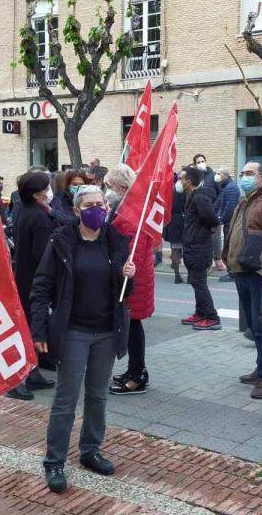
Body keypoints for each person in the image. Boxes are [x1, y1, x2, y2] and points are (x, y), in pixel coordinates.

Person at [30, 186, 136, 494]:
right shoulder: (62, 241)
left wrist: (129, 275)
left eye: (101, 204)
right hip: (74, 330)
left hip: (107, 330)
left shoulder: (114, 241)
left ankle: (90, 449)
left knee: (98, 395)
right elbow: (41, 288)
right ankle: (54, 461)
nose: (97, 210)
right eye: (89, 205)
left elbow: (124, 294)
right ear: (77, 211)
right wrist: (39, 331)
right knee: (66, 398)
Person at [223, 162, 262, 396]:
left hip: (259, 272)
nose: (244, 177)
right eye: (242, 173)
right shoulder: (245, 199)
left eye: (249, 174)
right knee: (253, 325)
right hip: (242, 270)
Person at [7, 171, 60, 401]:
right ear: (38, 194)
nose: (49, 193)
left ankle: (33, 372)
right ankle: (18, 379)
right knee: (28, 329)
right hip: (35, 280)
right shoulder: (39, 217)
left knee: (27, 326)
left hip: (23, 276)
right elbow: (43, 254)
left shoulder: (21, 209)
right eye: (46, 189)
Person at [105, 165, 156, 395]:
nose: (108, 190)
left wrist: (123, 272)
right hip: (134, 274)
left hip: (133, 277)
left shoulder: (133, 209)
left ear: (122, 186)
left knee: (132, 327)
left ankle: (137, 375)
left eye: (110, 186)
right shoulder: (127, 205)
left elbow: (134, 246)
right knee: (132, 326)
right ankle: (135, 370)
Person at [181, 166, 221, 330]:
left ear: (189, 181)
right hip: (192, 246)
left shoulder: (200, 197)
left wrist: (198, 234)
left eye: (182, 178)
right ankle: (200, 312)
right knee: (195, 282)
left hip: (199, 247)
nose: (180, 181)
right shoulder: (192, 196)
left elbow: (212, 219)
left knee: (199, 283)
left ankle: (212, 317)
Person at [213, 168, 239, 275]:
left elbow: (229, 208)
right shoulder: (226, 187)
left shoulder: (230, 188)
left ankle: (231, 272)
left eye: (219, 173)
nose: (217, 175)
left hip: (229, 222)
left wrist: (220, 220)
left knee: (229, 247)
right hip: (228, 221)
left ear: (225, 175)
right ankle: (230, 272)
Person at [164, 170, 186, 284]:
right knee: (186, 249)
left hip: (173, 221)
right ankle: (188, 274)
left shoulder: (170, 190)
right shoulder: (188, 191)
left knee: (175, 249)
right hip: (184, 221)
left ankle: (177, 274)